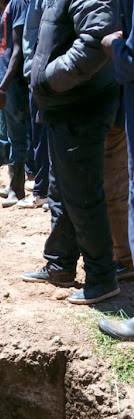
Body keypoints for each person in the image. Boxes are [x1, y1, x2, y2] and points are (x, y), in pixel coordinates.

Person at [23, 0, 120, 305]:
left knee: (82, 195)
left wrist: (50, 78)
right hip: (63, 107)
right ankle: (60, 265)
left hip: (82, 105)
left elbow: (97, 36)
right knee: (61, 190)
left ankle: (101, 278)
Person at [98, 0, 134, 338]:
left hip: (117, 105)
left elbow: (130, 60)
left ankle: (123, 259)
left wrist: (114, 47)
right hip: (118, 105)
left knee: (121, 189)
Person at [0, 0, 29, 207]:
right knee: (8, 136)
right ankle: (13, 183)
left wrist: (3, 88)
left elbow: (18, 50)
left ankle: (17, 188)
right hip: (4, 83)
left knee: (18, 136)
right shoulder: (5, 9)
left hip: (12, 83)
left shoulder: (17, 5)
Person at [17, 0, 48, 209]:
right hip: (37, 74)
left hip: (43, 74)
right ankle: (44, 189)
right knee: (39, 136)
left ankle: (44, 191)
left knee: (43, 137)